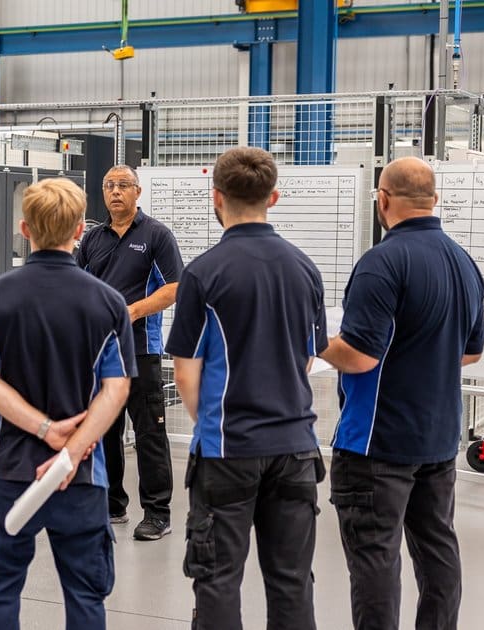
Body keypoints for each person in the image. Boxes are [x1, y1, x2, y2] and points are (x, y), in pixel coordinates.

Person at [319, 156, 484, 630]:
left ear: (383, 199)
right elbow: (471, 352)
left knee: (375, 559)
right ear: (435, 200)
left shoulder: (382, 263)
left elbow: (360, 357)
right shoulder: (464, 263)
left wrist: (310, 341)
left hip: (377, 444)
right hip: (438, 439)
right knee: (437, 549)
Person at [167, 147, 327, 630]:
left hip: (228, 448)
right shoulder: (305, 269)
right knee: (292, 582)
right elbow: (308, 357)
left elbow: (185, 372)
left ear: (216, 197)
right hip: (296, 448)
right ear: (273, 197)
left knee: (217, 579)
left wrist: (211, 421)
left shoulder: (203, 273)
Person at [0, 178, 133, 630]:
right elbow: (116, 389)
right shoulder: (108, 303)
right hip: (82, 477)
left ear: (24, 229)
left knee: (0, 591)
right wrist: (71, 450)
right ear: (80, 230)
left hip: (9, 473)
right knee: (85, 596)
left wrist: (45, 429)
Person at [76, 164, 182, 541]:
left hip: (141, 350)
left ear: (138, 191)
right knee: (105, 430)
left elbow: (174, 288)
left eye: (124, 185)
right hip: (100, 352)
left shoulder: (156, 235)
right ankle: (111, 504)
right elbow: (77, 282)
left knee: (149, 434)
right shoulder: (92, 238)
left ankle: (157, 513)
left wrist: (132, 311)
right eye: (109, 185)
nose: (116, 191)